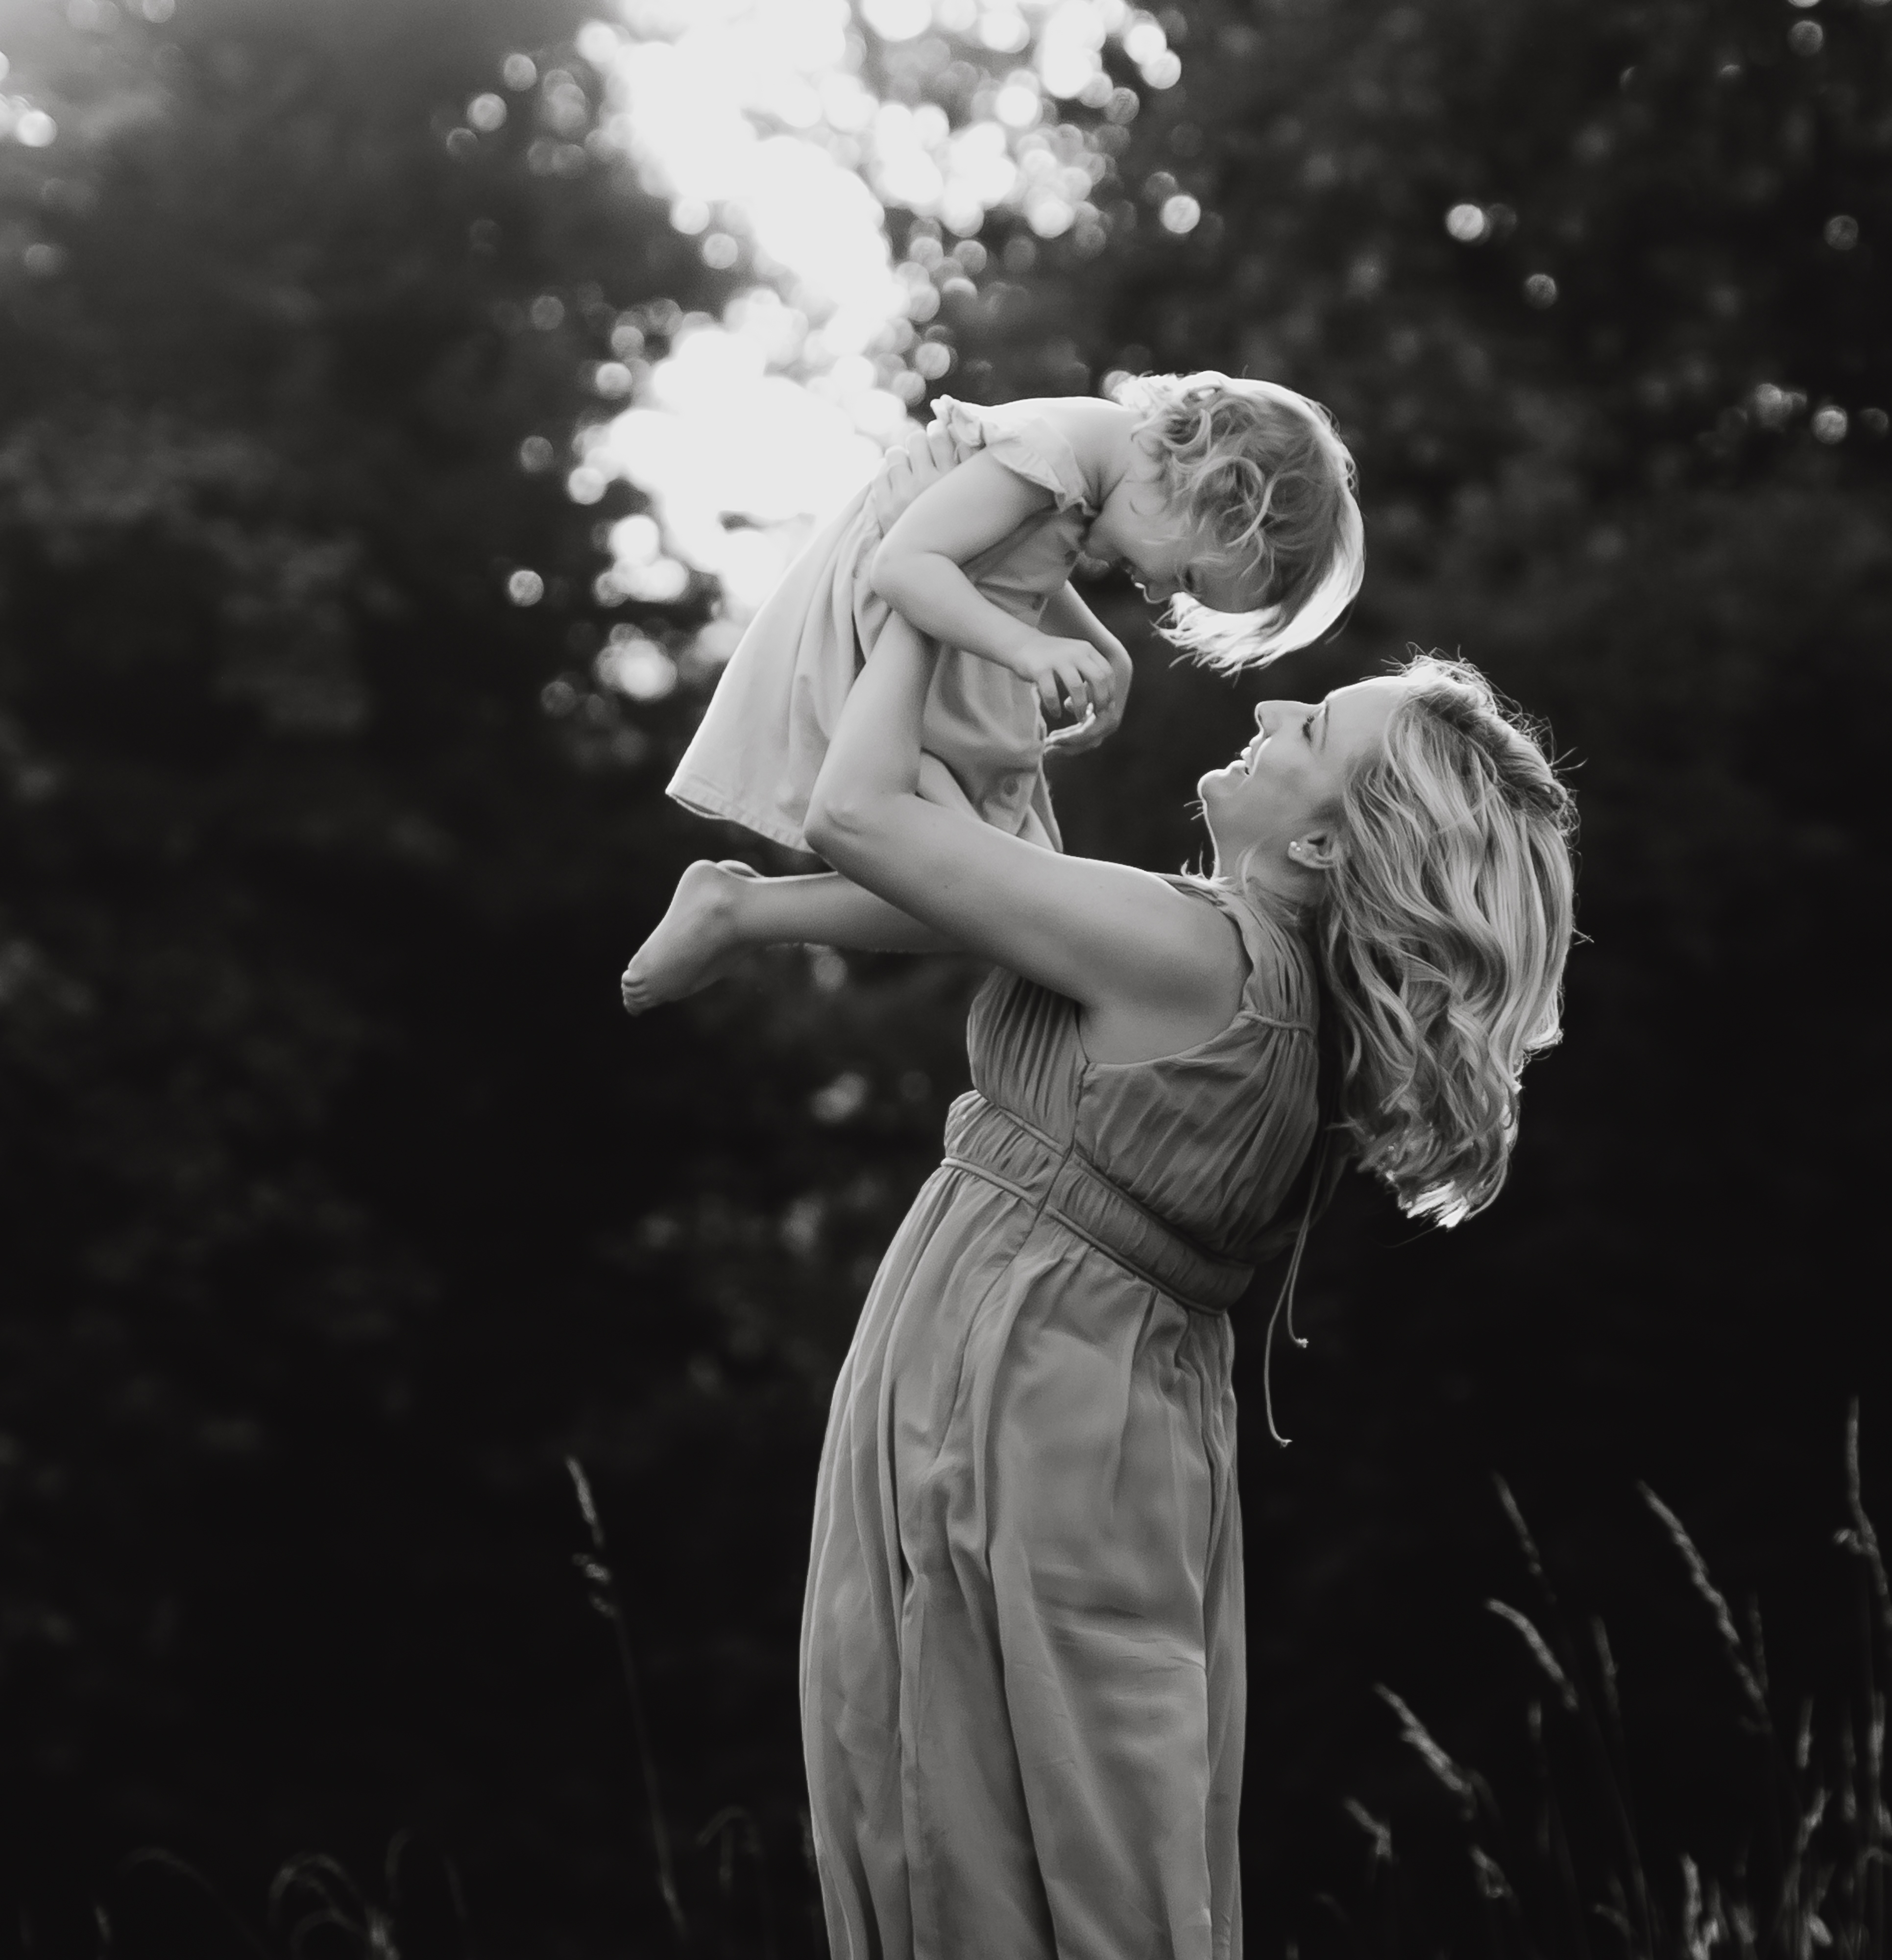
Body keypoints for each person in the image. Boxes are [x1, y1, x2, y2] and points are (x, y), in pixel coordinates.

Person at [776, 606, 1574, 1958]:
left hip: (1021, 1403)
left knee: (974, 1811)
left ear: (1321, 848)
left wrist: (916, 593)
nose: (1266, 714)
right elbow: (960, 866)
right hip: (1082, 1407)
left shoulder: (1196, 953)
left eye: (1308, 728)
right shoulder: (1265, 990)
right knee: (1066, 1827)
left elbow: (855, 813)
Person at [622, 372, 1362, 1010]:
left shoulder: (1093, 469)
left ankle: (743, 908)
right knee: (976, 887)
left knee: (1010, 893)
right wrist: (1026, 648)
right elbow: (906, 565)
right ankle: (738, 909)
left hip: (948, 656)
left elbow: (1021, 558)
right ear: (1208, 484)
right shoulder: (1053, 449)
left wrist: (1104, 649)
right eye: (1192, 578)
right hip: (890, 649)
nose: (1163, 591)